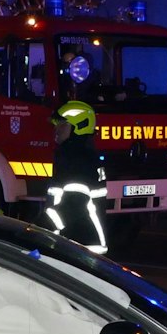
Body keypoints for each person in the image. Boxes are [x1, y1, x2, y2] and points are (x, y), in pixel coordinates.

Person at [44, 100, 108, 254]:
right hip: (77, 242)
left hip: (80, 245)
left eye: (62, 124)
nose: (56, 130)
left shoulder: (78, 159)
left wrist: (36, 229)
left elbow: (72, 206)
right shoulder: (81, 155)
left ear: (78, 126)